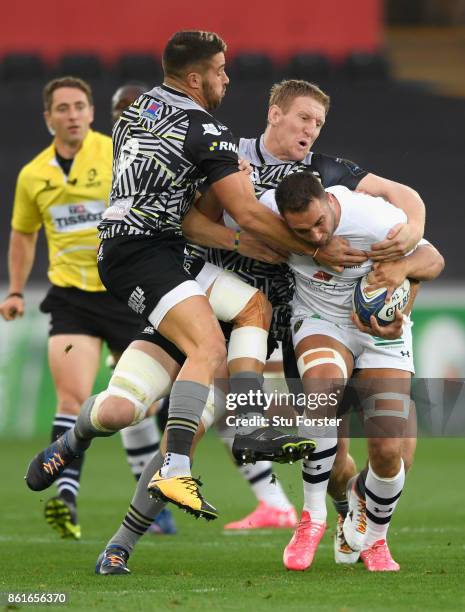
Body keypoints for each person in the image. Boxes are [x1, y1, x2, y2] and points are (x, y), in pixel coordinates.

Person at [25, 31, 318, 527]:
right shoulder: (207, 129)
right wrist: (315, 247)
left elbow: (178, 196)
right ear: (195, 77)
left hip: (153, 252)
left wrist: (231, 227)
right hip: (145, 253)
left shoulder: (135, 112)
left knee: (249, 310)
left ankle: (72, 440)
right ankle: (179, 465)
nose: (227, 78)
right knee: (208, 348)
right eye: (221, 70)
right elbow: (244, 210)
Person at [182, 79, 426, 550]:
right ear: (274, 112)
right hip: (247, 309)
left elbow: (401, 194)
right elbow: (191, 222)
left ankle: (346, 514)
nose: (311, 130)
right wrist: (284, 244)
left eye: (318, 123)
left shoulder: (325, 174)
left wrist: (413, 229)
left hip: (307, 313)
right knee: (184, 405)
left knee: (370, 459)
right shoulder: (229, 157)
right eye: (303, 118)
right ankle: (142, 519)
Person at [268, 171, 443, 571]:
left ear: (330, 203)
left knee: (388, 451)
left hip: (381, 332)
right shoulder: (271, 220)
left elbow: (433, 259)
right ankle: (311, 518)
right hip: (320, 320)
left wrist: (401, 273)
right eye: (302, 231)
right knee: (323, 394)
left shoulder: (371, 218)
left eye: (319, 224)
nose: (314, 235)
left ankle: (374, 537)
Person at [0, 76, 149, 540]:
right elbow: (24, 235)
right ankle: (66, 498)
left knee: (141, 403)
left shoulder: (117, 154)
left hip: (124, 292)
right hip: (71, 298)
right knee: (71, 398)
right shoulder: (33, 175)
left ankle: (152, 499)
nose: (71, 115)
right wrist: (17, 290)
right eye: (62, 108)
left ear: (91, 112)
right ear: (49, 118)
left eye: (79, 106)